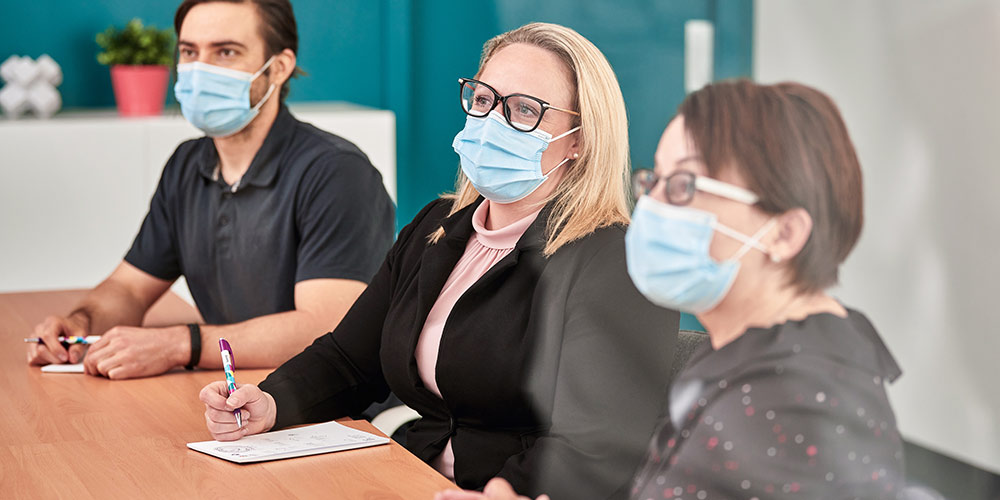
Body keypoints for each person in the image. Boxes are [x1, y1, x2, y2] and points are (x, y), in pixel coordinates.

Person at [199, 22, 679, 499]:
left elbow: (602, 443)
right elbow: (350, 359)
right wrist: (270, 402)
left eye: (524, 111)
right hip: (414, 476)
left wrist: (503, 492)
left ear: (580, 138)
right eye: (485, 99)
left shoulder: (619, 260)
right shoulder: (439, 226)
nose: (492, 121)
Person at [438, 80, 906, 500]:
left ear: (784, 233)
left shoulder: (797, 403)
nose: (652, 207)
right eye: (655, 181)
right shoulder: (748, 353)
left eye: (684, 186)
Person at [25, 0, 395, 379]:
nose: (200, 70)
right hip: (236, 393)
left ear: (279, 67)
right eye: (189, 52)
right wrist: (79, 325)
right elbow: (130, 288)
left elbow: (324, 328)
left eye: (226, 52)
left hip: (335, 410)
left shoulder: (337, 172)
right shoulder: (187, 165)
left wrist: (179, 345)